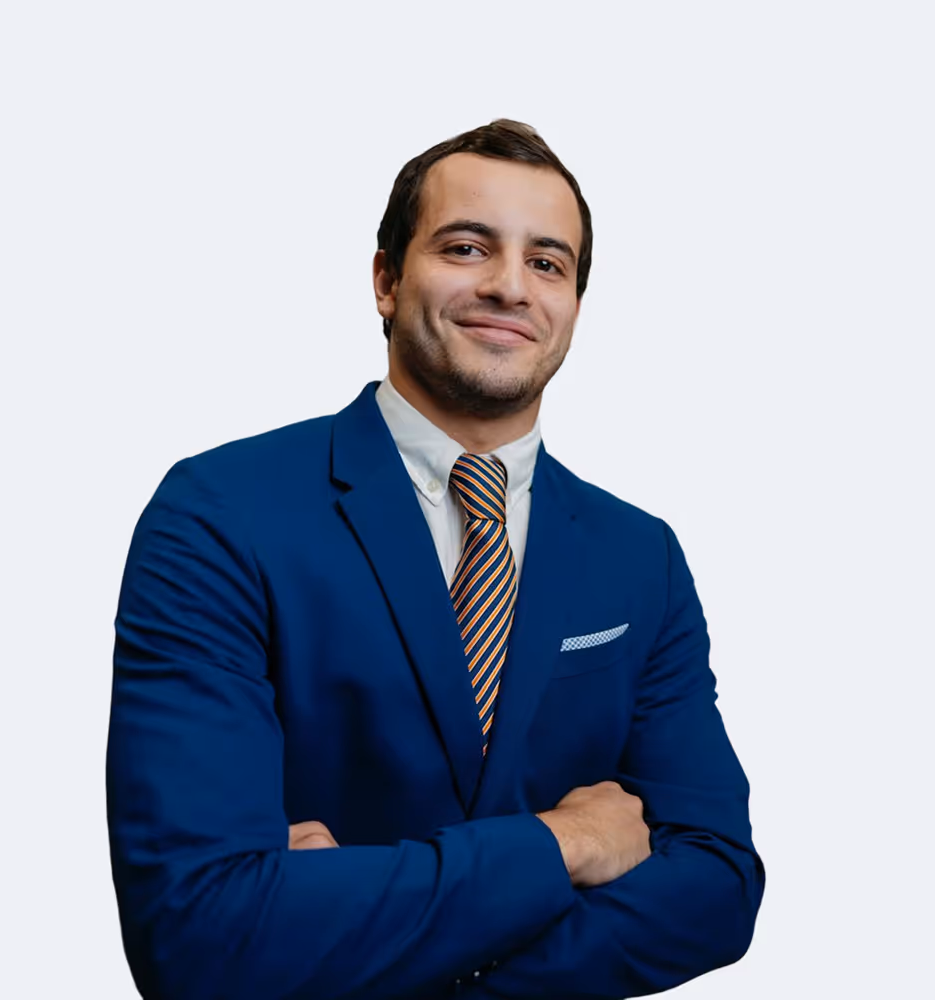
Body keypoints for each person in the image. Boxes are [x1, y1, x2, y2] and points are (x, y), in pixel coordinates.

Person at [106, 119, 765, 999]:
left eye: (547, 262)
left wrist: (340, 923)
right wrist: (564, 845)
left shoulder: (640, 556)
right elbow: (199, 936)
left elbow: (720, 887)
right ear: (385, 279)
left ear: (572, 303)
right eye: (466, 247)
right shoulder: (221, 515)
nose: (508, 287)